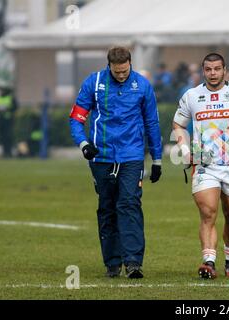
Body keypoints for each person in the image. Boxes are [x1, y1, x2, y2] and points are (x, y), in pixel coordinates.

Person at [69, 46, 163, 279]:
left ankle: (133, 263)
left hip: (132, 156)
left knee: (130, 204)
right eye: (117, 72)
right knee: (107, 207)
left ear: (130, 63)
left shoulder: (142, 85)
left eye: (125, 71)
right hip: (101, 156)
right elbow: (76, 118)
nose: (121, 76)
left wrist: (157, 159)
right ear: (108, 65)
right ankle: (112, 262)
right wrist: (84, 145)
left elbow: (152, 123)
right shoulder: (93, 83)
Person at [172, 53, 229, 279]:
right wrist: (186, 151)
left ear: (225, 70)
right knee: (208, 212)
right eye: (208, 69)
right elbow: (178, 123)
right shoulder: (192, 96)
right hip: (205, 166)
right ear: (203, 71)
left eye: (217, 69)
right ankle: (209, 262)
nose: (212, 73)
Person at [0, 84, 17, 158]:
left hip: (9, 121)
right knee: (2, 137)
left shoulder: (10, 98)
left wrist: (7, 109)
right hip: (1, 120)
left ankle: (8, 152)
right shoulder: (0, 98)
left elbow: (15, 107)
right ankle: (4, 152)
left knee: (8, 137)